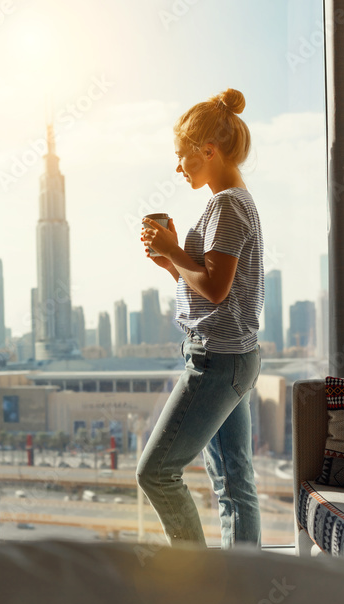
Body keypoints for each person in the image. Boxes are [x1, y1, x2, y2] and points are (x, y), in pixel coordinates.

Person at [137, 88, 264, 548]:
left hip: (217, 361)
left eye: (182, 156)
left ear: (207, 150)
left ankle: (195, 577)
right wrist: (171, 264)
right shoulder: (234, 201)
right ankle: (242, 584)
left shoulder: (227, 205)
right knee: (234, 482)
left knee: (156, 472)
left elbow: (214, 288)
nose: (178, 167)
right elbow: (211, 286)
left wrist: (173, 249)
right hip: (233, 356)